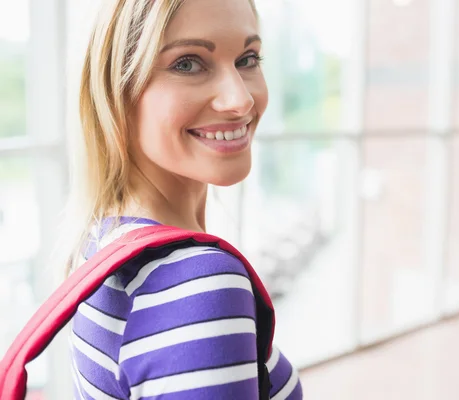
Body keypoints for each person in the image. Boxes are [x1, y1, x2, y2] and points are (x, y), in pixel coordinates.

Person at [62, 0, 302, 398]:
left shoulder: (104, 239)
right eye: (188, 63)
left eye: (248, 58)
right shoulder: (200, 280)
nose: (240, 101)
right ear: (116, 90)